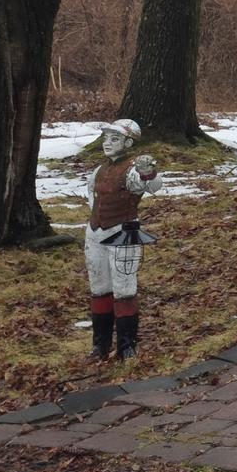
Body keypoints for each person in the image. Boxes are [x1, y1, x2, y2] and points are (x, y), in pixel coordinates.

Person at [83, 120, 158, 362]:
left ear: (128, 142)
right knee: (99, 287)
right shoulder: (99, 170)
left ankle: (127, 346)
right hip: (95, 233)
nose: (107, 143)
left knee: (124, 288)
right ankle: (100, 345)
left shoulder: (131, 169)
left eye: (114, 139)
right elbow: (91, 195)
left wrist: (148, 172)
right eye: (106, 138)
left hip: (122, 232)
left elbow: (151, 184)